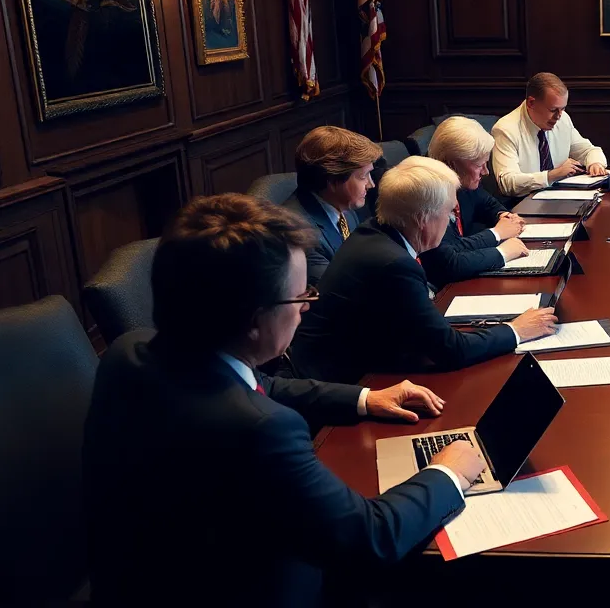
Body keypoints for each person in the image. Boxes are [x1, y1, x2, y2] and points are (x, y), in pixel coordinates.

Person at [83, 193, 488, 607]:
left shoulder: (131, 352)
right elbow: (371, 537)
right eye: (299, 297)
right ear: (254, 320)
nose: (305, 309)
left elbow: (262, 385)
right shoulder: (260, 429)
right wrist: (448, 473)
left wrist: (366, 398)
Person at [289, 156, 556, 385]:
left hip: (366, 361)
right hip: (344, 383)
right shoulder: (393, 264)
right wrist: (516, 330)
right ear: (422, 219)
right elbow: (451, 351)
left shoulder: (375, 230)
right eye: (448, 213)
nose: (450, 220)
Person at [421, 116, 530, 285]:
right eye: (480, 165)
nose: (486, 172)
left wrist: (504, 217)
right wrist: (500, 244)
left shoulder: (462, 183)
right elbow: (448, 262)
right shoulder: (428, 194)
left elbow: (487, 203)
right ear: (452, 165)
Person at [283, 126, 382, 284]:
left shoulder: (344, 206)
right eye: (363, 176)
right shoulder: (299, 235)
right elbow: (339, 289)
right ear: (333, 181)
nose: (371, 184)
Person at [491, 72, 608, 197]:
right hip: (524, 201)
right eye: (553, 110)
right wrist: (551, 175)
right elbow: (507, 183)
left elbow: (588, 151)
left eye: (562, 109)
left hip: (560, 197)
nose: (558, 116)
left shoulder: (563, 120)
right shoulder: (506, 130)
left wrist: (595, 163)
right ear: (531, 103)